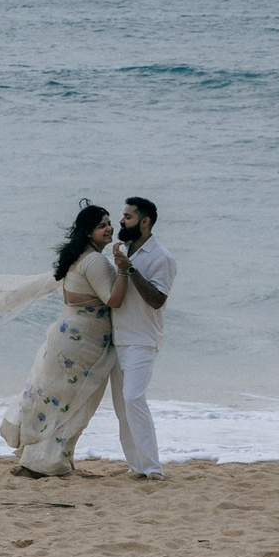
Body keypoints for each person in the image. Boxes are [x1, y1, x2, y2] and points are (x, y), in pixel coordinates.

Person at [0, 204, 131, 478]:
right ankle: (47, 463)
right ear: (87, 232)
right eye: (101, 225)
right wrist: (125, 270)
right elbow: (114, 300)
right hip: (82, 344)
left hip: (68, 337)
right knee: (76, 402)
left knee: (56, 401)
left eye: (108, 223)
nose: (109, 228)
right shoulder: (94, 261)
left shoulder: (78, 257)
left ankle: (42, 460)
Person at [105, 195, 176, 480]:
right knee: (122, 407)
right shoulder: (125, 249)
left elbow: (157, 300)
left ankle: (153, 468)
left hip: (142, 339)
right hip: (118, 338)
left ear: (145, 222)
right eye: (122, 216)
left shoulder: (162, 257)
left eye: (128, 217)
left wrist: (128, 268)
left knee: (134, 398)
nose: (121, 221)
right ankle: (137, 465)